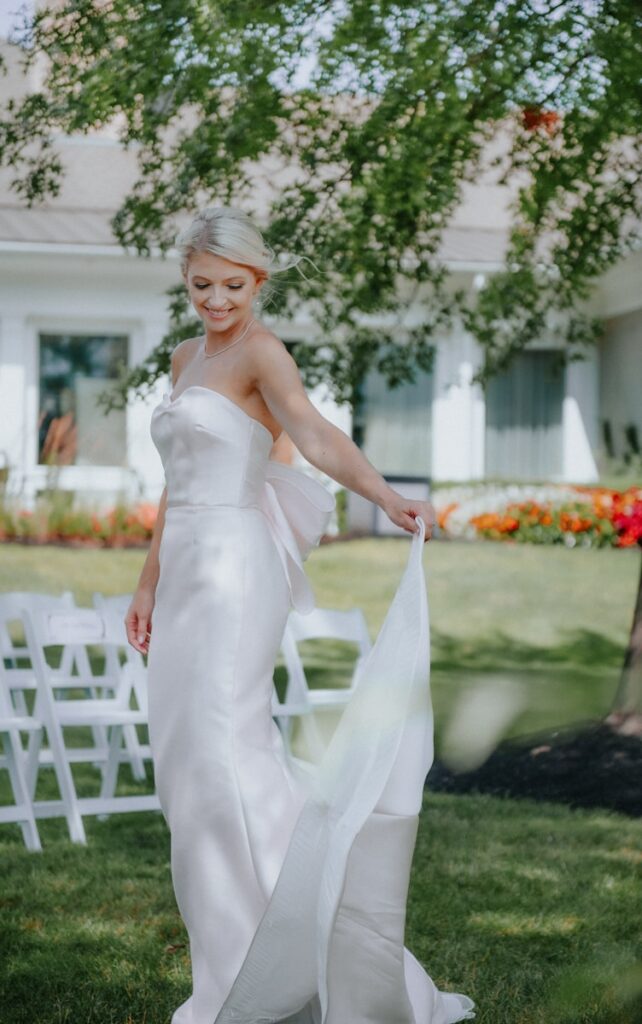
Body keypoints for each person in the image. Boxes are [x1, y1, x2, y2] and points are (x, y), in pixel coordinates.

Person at [125, 206, 475, 1024]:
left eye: (233, 285)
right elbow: (177, 487)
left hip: (239, 574)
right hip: (183, 578)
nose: (217, 300)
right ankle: (238, 962)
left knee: (226, 757)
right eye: (202, 284)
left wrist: (385, 495)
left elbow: (313, 435)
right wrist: (146, 585)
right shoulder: (186, 357)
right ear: (186, 278)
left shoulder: (261, 352)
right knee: (186, 773)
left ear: (260, 280)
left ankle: (303, 954)